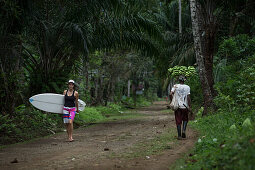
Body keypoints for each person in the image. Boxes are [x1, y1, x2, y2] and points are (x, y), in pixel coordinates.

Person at [170, 75, 191, 140]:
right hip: (185, 106)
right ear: (184, 80)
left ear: (179, 80)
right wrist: (189, 106)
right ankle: (184, 130)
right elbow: (188, 97)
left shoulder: (175, 86)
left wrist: (172, 100)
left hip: (178, 106)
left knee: (178, 120)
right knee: (185, 119)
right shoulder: (187, 87)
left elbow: (170, 94)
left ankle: (179, 135)